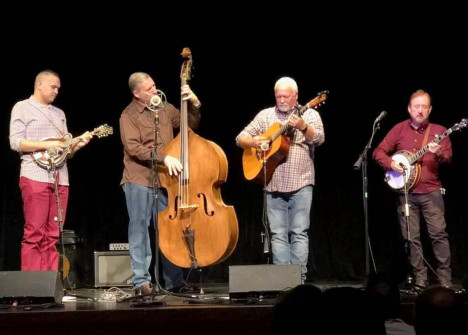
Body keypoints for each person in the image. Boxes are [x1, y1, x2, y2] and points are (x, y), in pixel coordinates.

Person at [235, 77, 325, 283]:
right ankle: (283, 280)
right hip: (273, 184)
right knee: (277, 235)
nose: (282, 100)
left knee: (299, 232)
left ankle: (298, 280)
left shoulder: (310, 113)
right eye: (278, 96)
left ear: (296, 96)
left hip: (301, 182)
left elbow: (319, 139)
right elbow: (240, 138)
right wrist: (254, 141)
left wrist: (303, 127)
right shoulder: (265, 115)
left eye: (286, 96)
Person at [119, 72, 201, 295]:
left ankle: (174, 281)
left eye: (154, 86)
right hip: (139, 179)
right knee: (139, 229)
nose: (154, 91)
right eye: (148, 89)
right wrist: (165, 157)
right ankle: (141, 282)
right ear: (136, 93)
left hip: (165, 181)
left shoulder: (165, 109)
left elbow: (189, 126)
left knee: (169, 231)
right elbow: (134, 148)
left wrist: (194, 104)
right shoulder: (128, 116)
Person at [9, 69, 93, 271]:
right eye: (53, 87)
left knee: (53, 234)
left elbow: (64, 151)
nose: (56, 91)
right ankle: (31, 287)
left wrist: (76, 146)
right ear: (39, 85)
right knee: (34, 233)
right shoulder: (22, 108)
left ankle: (50, 286)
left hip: (60, 178)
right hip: (34, 175)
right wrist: (46, 145)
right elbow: (16, 142)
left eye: (58, 88)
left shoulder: (59, 114)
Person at [373, 89, 453, 290]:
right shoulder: (399, 130)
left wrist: (439, 152)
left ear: (430, 109)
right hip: (406, 194)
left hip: (431, 191)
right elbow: (378, 152)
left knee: (438, 235)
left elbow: (449, 158)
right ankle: (420, 280)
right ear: (409, 109)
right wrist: (391, 163)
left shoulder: (439, 131)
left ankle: (445, 280)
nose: (420, 110)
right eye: (416, 106)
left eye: (424, 106)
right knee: (411, 238)